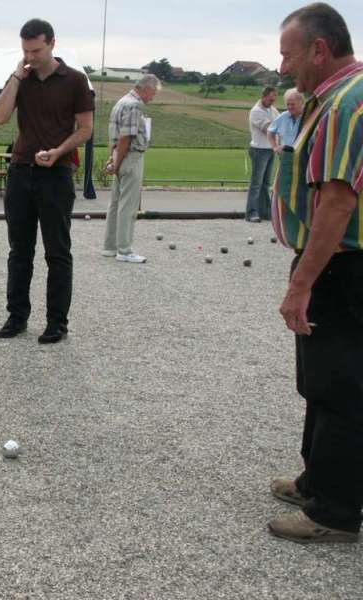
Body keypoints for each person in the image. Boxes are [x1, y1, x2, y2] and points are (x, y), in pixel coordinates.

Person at [269, 2, 363, 544]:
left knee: (341, 386)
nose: (284, 66)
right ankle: (316, 480)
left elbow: (337, 203)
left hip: (344, 267)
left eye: (288, 54)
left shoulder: (348, 104)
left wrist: (300, 283)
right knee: (322, 381)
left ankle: (334, 511)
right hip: (337, 263)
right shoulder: (335, 98)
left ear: (319, 49)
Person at [0, 18, 94, 344]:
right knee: (19, 251)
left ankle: (57, 323)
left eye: (36, 50)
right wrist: (17, 78)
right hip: (21, 171)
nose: (31, 56)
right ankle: (17, 316)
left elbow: (86, 128)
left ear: (52, 43)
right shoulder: (22, 78)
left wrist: (59, 150)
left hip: (57, 174)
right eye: (25, 51)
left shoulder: (76, 81)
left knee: (57, 252)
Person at [101, 75, 161, 264]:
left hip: (118, 155)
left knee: (116, 203)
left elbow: (115, 136)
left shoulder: (121, 102)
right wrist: (117, 163)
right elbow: (126, 138)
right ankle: (124, 250)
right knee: (128, 205)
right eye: (153, 93)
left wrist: (112, 158)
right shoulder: (134, 106)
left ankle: (110, 247)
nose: (152, 97)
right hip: (130, 158)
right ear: (145, 88)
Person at [246, 86, 280, 222]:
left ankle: (265, 212)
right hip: (259, 150)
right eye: (270, 99)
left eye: (274, 100)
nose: (272, 102)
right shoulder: (256, 111)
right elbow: (269, 128)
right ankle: (251, 212)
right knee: (256, 183)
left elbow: (279, 123)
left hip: (270, 149)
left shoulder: (272, 110)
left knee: (266, 183)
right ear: (264, 96)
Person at [267, 88, 305, 153]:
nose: (290, 107)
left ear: (301, 102)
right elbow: (270, 132)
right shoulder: (283, 116)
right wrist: (275, 147)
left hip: (302, 157)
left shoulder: (308, 117)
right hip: (285, 156)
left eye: (292, 104)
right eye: (288, 104)